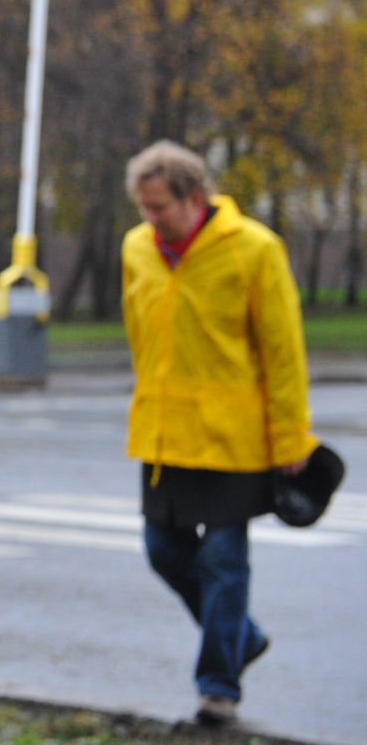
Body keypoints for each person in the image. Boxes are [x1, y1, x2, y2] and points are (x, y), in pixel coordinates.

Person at [121, 141, 316, 728]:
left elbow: (283, 353)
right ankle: (242, 637)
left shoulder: (254, 249)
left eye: (161, 208)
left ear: (194, 197)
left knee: (224, 561)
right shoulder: (136, 249)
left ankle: (218, 688)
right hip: (164, 435)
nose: (151, 220)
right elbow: (140, 337)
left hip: (234, 438)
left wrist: (290, 439)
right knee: (162, 551)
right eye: (144, 208)